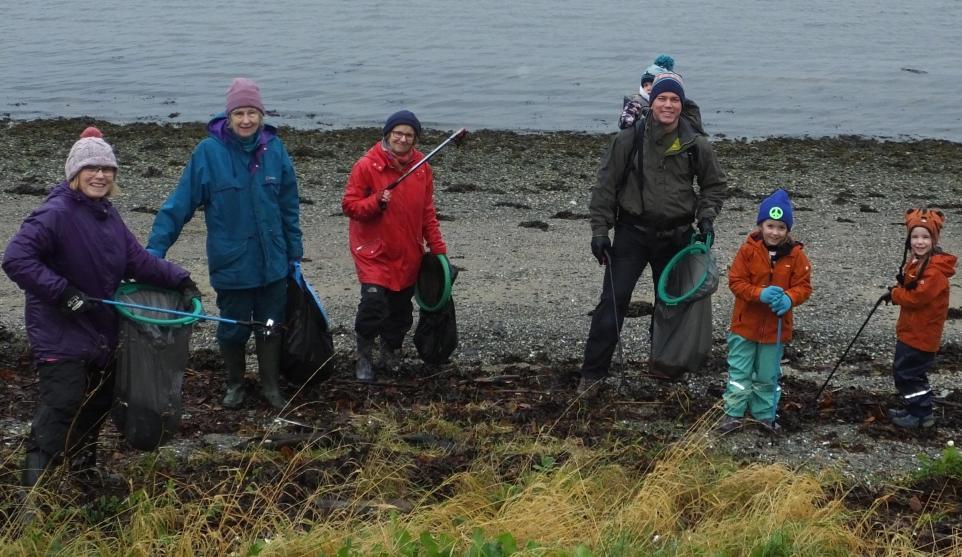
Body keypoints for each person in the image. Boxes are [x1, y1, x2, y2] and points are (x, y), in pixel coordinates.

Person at [3, 127, 200, 487]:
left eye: (107, 169)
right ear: (75, 174)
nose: (100, 175)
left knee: (97, 402)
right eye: (91, 168)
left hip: (99, 331)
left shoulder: (107, 215)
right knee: (62, 404)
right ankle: (30, 497)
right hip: (59, 331)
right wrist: (62, 293)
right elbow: (16, 258)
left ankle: (82, 472)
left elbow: (138, 261)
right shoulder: (55, 212)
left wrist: (180, 279)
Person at [146, 78, 303, 410]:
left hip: (274, 261)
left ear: (261, 115)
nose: (246, 120)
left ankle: (271, 386)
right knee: (233, 330)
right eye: (239, 114)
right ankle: (235, 384)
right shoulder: (208, 153)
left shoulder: (275, 149)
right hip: (232, 264)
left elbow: (289, 206)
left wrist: (294, 252)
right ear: (228, 117)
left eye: (252, 113)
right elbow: (178, 206)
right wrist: (153, 253)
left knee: (270, 327)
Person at [581, 71, 728, 394]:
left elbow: (714, 186)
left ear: (682, 104)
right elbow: (605, 188)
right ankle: (592, 375)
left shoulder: (696, 144)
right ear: (652, 102)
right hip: (631, 233)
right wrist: (600, 231)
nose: (668, 104)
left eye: (674, 99)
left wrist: (705, 219)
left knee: (670, 306)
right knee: (613, 302)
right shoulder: (628, 140)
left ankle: (663, 367)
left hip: (677, 237)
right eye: (662, 98)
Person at [342, 110, 447, 382]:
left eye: (409, 135)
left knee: (400, 311)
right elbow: (350, 206)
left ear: (415, 139)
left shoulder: (422, 168)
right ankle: (363, 355)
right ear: (387, 134)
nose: (402, 138)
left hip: (407, 252)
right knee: (373, 305)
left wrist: (438, 251)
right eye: (398, 133)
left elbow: (427, 212)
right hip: (374, 253)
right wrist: (376, 201)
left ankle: (391, 351)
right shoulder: (366, 166)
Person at [718, 189, 812, 433]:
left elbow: (803, 286)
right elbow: (736, 282)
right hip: (744, 327)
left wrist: (790, 298)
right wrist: (759, 293)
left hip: (775, 330)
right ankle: (733, 414)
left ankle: (764, 414)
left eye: (781, 227)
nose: (775, 232)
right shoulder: (747, 251)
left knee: (768, 376)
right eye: (770, 225)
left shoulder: (797, 255)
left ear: (788, 230)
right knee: (739, 373)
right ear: (761, 225)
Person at [881, 208, 956, 428]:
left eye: (925, 237)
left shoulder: (934, 271)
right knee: (906, 371)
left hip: (922, 335)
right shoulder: (917, 262)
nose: (919, 242)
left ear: (934, 239)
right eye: (915, 237)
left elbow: (916, 298)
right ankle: (915, 409)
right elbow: (910, 287)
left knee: (908, 373)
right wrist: (895, 290)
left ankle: (921, 414)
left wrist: (895, 294)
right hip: (910, 330)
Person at [618, 54, 675, 130]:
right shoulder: (636, 102)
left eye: (652, 84)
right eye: (645, 85)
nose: (648, 88)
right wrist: (628, 119)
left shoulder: (671, 102)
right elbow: (625, 121)